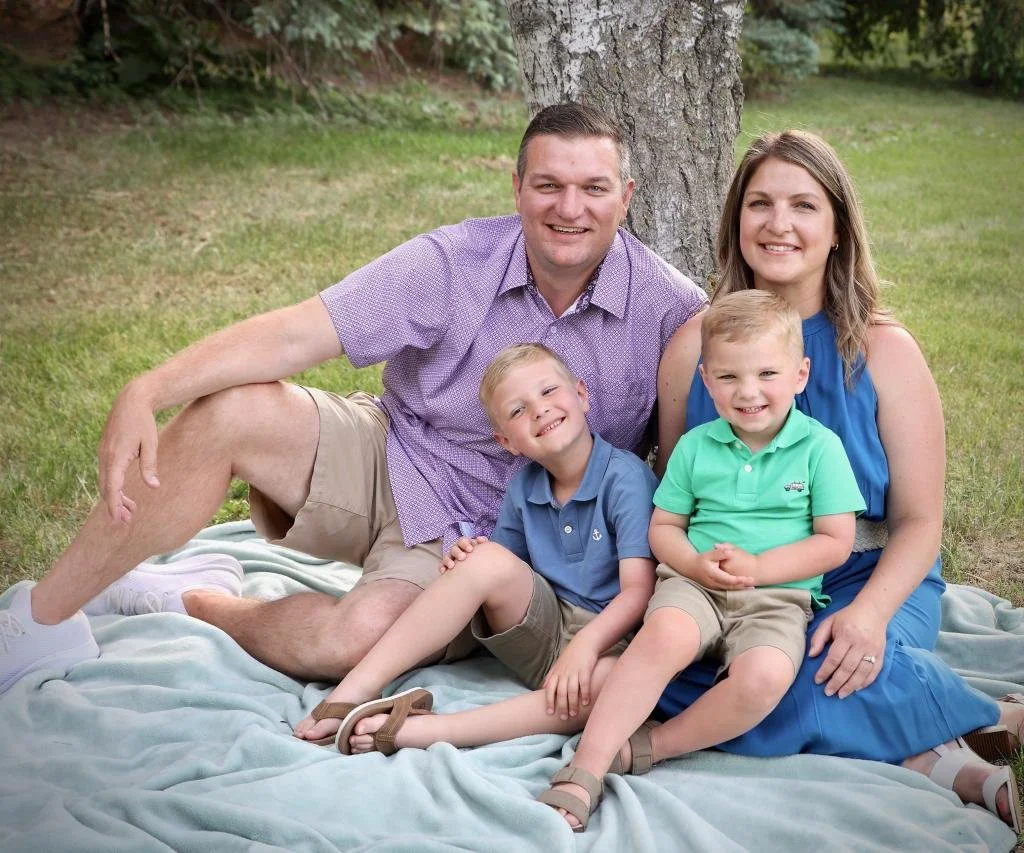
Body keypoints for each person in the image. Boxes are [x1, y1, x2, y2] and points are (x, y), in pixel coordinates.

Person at [0, 104, 707, 699]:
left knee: (358, 638)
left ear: (627, 194)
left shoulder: (672, 312)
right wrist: (144, 388)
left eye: (593, 187)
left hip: (490, 544)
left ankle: (191, 599)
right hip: (394, 454)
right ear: (517, 186)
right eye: (549, 185)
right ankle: (41, 617)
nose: (570, 208)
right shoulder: (450, 262)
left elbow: (693, 468)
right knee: (229, 412)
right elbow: (295, 334)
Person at [645, 129, 1020, 832]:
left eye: (802, 205)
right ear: (735, 222)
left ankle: (946, 742)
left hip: (867, 568)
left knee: (818, 660)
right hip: (738, 579)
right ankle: (967, 720)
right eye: (759, 203)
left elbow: (919, 521)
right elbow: (680, 491)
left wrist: (871, 613)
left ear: (838, 227)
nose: (778, 223)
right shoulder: (693, 346)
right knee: (677, 672)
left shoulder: (883, 350)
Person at [533, 289, 867, 830]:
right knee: (663, 637)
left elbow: (834, 541)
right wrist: (691, 565)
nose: (749, 391)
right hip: (695, 584)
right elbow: (664, 529)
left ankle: (652, 746)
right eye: (729, 377)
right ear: (707, 381)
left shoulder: (819, 448)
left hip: (777, 596)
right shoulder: (695, 447)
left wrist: (761, 569)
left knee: (763, 677)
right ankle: (585, 766)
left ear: (800, 375)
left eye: (766, 374)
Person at [291, 342, 657, 754]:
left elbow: (639, 593)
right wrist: (468, 562)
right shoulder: (525, 487)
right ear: (507, 441)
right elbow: (504, 570)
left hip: (611, 642)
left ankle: (425, 731)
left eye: (549, 391)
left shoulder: (625, 480)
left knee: (615, 687)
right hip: (544, 632)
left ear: (582, 395)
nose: (539, 410)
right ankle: (354, 688)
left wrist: (587, 647)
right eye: (518, 410)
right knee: (483, 560)